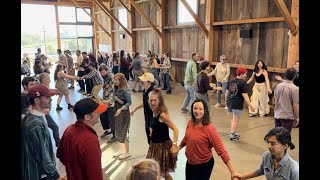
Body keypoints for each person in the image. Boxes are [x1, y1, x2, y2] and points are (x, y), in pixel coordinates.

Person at [178, 99, 239, 180]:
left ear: (205, 111)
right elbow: (187, 138)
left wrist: (233, 171)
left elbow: (221, 151)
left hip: (203, 166)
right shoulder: (190, 123)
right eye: (195, 108)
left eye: (200, 109)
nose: (197, 111)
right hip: (190, 163)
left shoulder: (209, 129)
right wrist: (178, 148)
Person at [21, 85, 65, 180]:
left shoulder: (32, 117)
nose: (51, 100)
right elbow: (42, 153)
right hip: (39, 173)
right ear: (37, 100)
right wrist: (55, 175)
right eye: (47, 97)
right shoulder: (36, 124)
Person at [57, 98, 107, 180]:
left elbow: (60, 154)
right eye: (97, 112)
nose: (99, 113)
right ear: (87, 117)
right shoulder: (90, 140)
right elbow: (95, 174)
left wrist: (73, 169)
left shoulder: (69, 130)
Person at [234, 127, 299, 180]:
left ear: (285, 145)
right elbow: (261, 170)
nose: (269, 146)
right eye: (268, 142)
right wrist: (243, 177)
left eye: (273, 144)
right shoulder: (266, 156)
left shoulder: (294, 169)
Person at [146, 89, 179, 180]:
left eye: (155, 100)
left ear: (159, 101)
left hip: (163, 148)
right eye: (151, 100)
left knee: (164, 174)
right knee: (153, 171)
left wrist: (174, 144)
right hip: (154, 146)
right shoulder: (153, 112)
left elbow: (175, 129)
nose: (152, 102)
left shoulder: (162, 115)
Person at [107, 73, 132, 160]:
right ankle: (121, 149)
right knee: (118, 131)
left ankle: (127, 152)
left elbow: (129, 102)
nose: (115, 81)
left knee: (123, 132)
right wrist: (107, 102)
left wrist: (121, 109)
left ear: (121, 81)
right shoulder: (115, 88)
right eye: (115, 80)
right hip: (117, 111)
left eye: (117, 80)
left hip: (124, 113)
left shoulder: (126, 90)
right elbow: (113, 98)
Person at [226, 68, 254, 141]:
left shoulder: (231, 80)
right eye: (245, 74)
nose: (246, 75)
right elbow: (245, 95)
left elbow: (227, 92)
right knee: (236, 119)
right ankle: (232, 135)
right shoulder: (243, 83)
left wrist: (226, 101)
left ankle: (233, 132)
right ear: (241, 74)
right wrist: (250, 105)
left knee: (234, 118)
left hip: (230, 102)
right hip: (237, 103)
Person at [130, 72, 156, 144]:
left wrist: (153, 124)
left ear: (149, 82)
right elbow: (145, 103)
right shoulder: (145, 91)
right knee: (149, 139)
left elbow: (156, 110)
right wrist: (136, 108)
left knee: (153, 140)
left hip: (152, 120)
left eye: (143, 81)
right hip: (147, 119)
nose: (141, 82)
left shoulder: (153, 93)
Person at [99, 64, 117, 143]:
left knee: (111, 118)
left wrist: (110, 100)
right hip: (105, 101)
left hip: (111, 102)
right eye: (101, 73)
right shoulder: (105, 79)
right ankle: (107, 130)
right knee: (103, 116)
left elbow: (115, 91)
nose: (102, 74)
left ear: (107, 70)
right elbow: (105, 90)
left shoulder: (112, 78)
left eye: (103, 72)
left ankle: (115, 135)